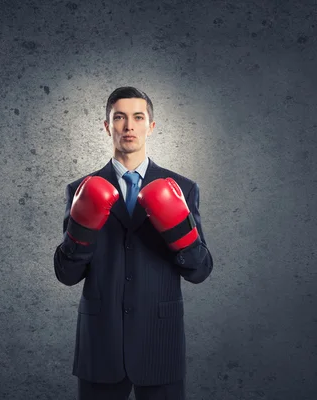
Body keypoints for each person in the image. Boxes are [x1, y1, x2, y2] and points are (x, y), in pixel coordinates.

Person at [53, 86, 213, 400]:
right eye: (120, 117)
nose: (129, 126)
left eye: (138, 117)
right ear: (107, 126)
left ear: (150, 126)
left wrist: (180, 232)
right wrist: (81, 231)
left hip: (159, 342)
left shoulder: (182, 186)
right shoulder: (79, 188)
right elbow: (66, 275)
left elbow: (200, 271)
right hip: (100, 344)